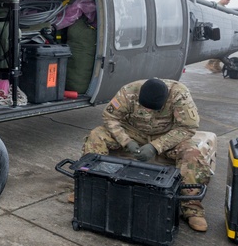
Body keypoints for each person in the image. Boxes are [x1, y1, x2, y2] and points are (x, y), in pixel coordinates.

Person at [81, 78, 212, 232]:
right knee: (96, 135)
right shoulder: (128, 91)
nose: (149, 112)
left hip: (166, 136)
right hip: (134, 133)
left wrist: (156, 146)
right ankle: (88, 188)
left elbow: (188, 127)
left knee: (193, 153)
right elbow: (110, 117)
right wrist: (126, 141)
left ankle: (192, 208)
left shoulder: (179, 95)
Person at [207, 0, 232, 73]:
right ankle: (210, 64)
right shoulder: (217, 6)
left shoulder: (223, 7)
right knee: (218, 48)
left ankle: (216, 65)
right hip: (217, 30)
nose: (229, 2)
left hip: (221, 30)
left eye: (229, 0)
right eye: (228, 0)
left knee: (222, 49)